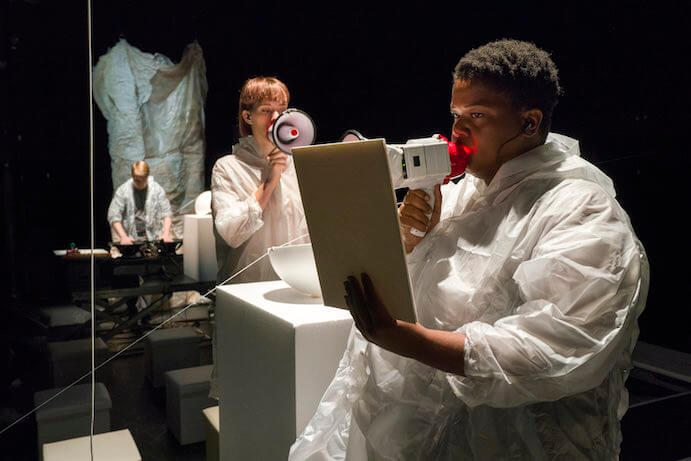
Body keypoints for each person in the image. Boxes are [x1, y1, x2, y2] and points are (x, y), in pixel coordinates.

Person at [290, 40, 649, 460]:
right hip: (442, 437)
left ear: (529, 123)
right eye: (456, 116)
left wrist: (413, 342)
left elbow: (558, 347)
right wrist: (412, 240)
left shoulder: (581, 210)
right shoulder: (465, 195)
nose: (458, 132)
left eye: (477, 116)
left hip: (525, 443)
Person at [210, 76, 309, 284]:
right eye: (265, 110)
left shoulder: (299, 165)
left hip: (298, 281)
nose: (275, 118)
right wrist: (271, 179)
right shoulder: (228, 167)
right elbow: (232, 232)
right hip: (249, 284)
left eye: (281, 110)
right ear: (248, 116)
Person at [107, 160, 173, 244]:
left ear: (147, 177)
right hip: (131, 238)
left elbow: (167, 213)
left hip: (153, 237)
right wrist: (123, 236)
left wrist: (166, 234)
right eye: (136, 180)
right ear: (132, 176)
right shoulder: (123, 191)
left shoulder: (157, 190)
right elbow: (113, 216)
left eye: (142, 180)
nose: (139, 183)